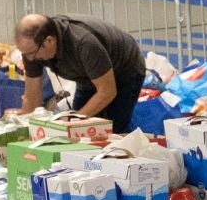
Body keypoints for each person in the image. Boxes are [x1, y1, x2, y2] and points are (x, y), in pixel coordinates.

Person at [13, 12, 146, 131]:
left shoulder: (83, 43)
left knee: (110, 128)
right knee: (78, 128)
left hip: (125, 69)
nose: (30, 59)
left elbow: (107, 91)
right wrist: (23, 125)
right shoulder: (32, 50)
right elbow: (32, 96)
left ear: (49, 41)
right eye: (25, 54)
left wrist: (75, 120)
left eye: (31, 53)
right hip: (87, 75)